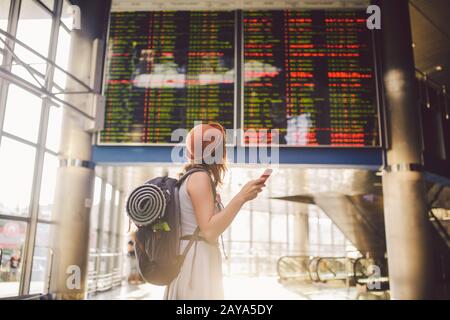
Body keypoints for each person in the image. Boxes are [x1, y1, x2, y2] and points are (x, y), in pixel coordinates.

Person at [164, 123, 266, 299]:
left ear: (189, 152)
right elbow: (209, 231)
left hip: (192, 260)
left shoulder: (191, 177)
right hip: (196, 266)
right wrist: (241, 197)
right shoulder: (199, 178)